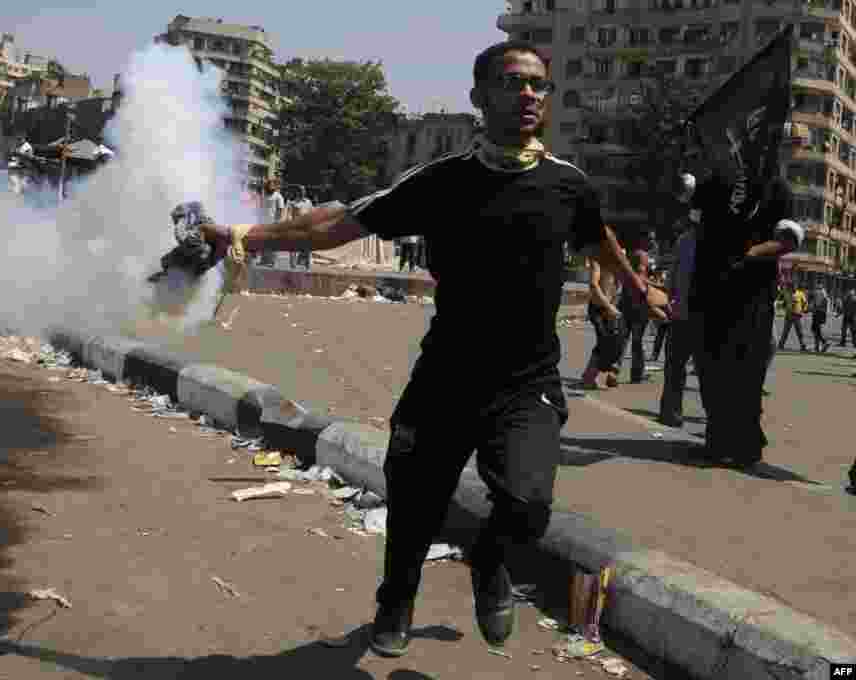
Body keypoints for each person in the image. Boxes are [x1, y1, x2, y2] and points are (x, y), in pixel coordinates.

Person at [199, 40, 662, 657]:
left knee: (527, 503)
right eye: (511, 83)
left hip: (528, 382)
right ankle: (397, 597)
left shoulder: (566, 184)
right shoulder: (442, 182)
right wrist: (244, 235)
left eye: (537, 85)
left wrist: (636, 287)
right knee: (414, 497)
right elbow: (338, 224)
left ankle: (492, 566)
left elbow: (597, 239)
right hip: (447, 374)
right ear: (479, 98)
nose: (527, 94)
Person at [690, 168, 802, 467]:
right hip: (708, 292)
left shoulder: (777, 187)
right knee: (709, 366)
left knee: (747, 372)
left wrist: (753, 253)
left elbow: (789, 240)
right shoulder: (715, 177)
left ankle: (746, 444)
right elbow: (693, 216)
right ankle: (717, 438)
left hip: (752, 296)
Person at [658, 176, 700, 427]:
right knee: (706, 370)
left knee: (674, 367)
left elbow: (671, 279)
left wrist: (670, 302)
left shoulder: (683, 241)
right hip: (699, 316)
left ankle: (670, 412)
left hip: (680, 314)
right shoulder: (709, 243)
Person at [583, 253, 623, 389]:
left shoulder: (617, 260)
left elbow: (617, 286)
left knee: (615, 341)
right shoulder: (597, 260)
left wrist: (613, 305)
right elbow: (594, 285)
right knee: (604, 341)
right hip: (598, 309)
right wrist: (608, 306)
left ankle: (609, 374)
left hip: (610, 307)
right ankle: (588, 377)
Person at [618, 236, 653, 383]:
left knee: (623, 340)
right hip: (638, 305)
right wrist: (654, 286)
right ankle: (636, 374)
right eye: (649, 239)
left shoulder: (631, 256)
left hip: (626, 303)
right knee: (637, 341)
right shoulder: (642, 255)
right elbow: (640, 277)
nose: (652, 241)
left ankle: (615, 370)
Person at [778, 283, 808, 351]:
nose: (792, 289)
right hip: (788, 314)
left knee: (799, 332)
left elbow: (805, 303)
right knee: (785, 331)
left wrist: (804, 310)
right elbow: (784, 302)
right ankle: (781, 345)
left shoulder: (800, 293)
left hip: (797, 315)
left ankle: (803, 346)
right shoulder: (786, 293)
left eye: (793, 287)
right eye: (790, 288)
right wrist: (784, 307)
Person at [289, 187, 314, 269]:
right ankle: (293, 265)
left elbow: (312, 213)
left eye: (304, 191)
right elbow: (290, 216)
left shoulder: (308, 202)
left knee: (307, 247)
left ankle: (307, 265)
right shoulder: (293, 203)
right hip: (296, 227)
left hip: (306, 227)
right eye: (301, 191)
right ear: (297, 192)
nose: (303, 192)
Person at [809, 283, 830, 352]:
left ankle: (824, 342)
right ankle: (817, 346)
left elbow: (815, 303)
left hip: (818, 312)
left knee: (816, 329)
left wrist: (813, 308)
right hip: (822, 313)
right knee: (816, 329)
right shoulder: (824, 292)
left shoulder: (819, 292)